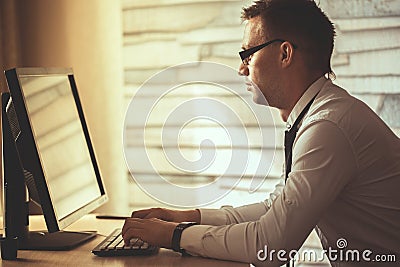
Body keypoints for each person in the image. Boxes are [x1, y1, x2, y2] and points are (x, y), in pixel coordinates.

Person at [122, 0, 400, 266]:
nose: (241, 69)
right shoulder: (320, 116)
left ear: (284, 54)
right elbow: (275, 208)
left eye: (248, 54)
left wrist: (172, 236)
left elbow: (271, 246)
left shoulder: (328, 128)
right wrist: (182, 218)